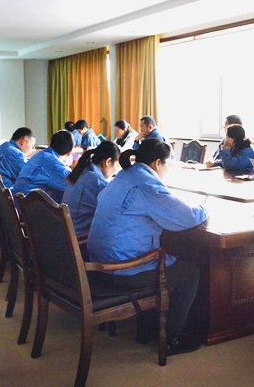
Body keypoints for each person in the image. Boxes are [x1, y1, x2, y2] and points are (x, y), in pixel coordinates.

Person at [88, 138, 207, 356]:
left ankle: (147, 328)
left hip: (98, 263)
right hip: (121, 271)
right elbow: (187, 218)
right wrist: (204, 207)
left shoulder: (123, 176)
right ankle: (173, 336)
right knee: (189, 273)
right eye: (168, 164)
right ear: (157, 164)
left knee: (159, 255)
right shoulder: (147, 185)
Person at [62, 141, 120, 240]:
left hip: (66, 236)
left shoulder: (82, 171)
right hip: (80, 241)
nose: (115, 171)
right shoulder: (97, 182)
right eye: (117, 166)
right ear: (108, 162)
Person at [13, 130, 73, 203]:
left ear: (49, 144)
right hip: (27, 207)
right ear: (69, 153)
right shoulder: (53, 163)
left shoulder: (40, 155)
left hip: (19, 204)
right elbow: (76, 186)